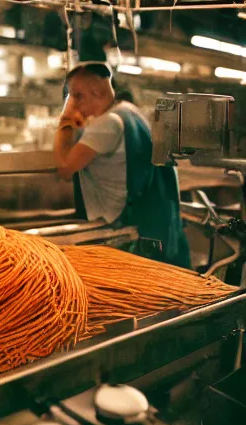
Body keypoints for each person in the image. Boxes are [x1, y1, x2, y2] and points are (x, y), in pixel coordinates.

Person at [53, 61, 191, 269]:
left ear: (97, 92)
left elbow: (65, 168)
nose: (74, 103)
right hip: (148, 215)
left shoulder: (106, 125)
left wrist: (65, 120)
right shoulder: (128, 111)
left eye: (77, 96)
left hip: (122, 220)